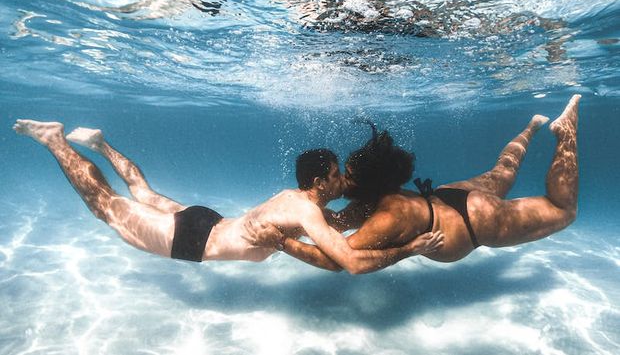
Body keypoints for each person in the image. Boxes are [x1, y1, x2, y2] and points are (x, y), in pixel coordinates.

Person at [12, 120, 443, 274]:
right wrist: (410, 248)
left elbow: (340, 221)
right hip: (192, 240)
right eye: (336, 176)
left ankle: (102, 144)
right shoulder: (306, 210)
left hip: (208, 223)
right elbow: (348, 263)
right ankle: (55, 140)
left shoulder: (296, 199)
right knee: (104, 205)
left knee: (141, 191)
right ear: (320, 181)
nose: (341, 182)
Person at [278, 95, 580, 270]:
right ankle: (532, 126)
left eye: (348, 176)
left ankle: (565, 132)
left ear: (368, 183)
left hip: (474, 220)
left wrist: (280, 242)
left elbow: (338, 259)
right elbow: (336, 222)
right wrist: (288, 217)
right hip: (448, 196)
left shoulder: (388, 216)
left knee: (563, 210)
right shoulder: (378, 198)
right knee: (503, 170)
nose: (343, 180)